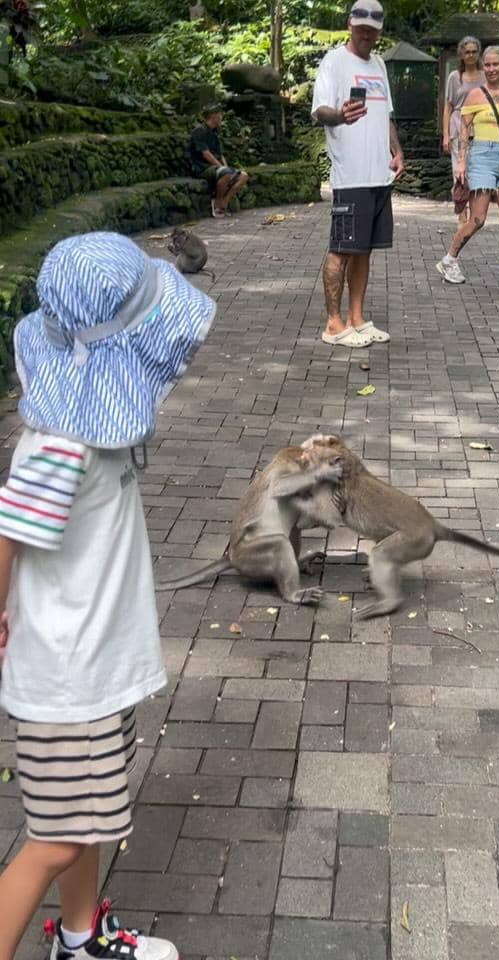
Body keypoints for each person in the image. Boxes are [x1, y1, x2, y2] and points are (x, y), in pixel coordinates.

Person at [0, 231, 216, 960]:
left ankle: (80, 937)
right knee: (55, 840)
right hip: (67, 679)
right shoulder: (61, 442)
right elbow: (6, 529)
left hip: (93, 667)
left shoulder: (91, 429)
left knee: (84, 823)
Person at [311, 0, 404, 347]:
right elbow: (319, 110)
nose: (366, 32)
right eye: (361, 25)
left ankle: (357, 318)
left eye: (373, 27)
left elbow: (386, 115)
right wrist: (340, 114)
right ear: (350, 24)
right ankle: (333, 324)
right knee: (341, 249)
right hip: (350, 176)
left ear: (379, 30)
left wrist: (396, 150)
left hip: (378, 175)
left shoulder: (378, 63)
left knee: (364, 250)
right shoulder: (334, 61)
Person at [435, 45, 499, 290]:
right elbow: (464, 130)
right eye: (486, 65)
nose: (490, 69)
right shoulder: (475, 95)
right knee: (477, 218)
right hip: (481, 156)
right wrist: (460, 162)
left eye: (495, 64)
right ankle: (449, 259)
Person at [442, 36, 485, 221]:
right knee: (458, 169)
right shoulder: (454, 77)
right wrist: (445, 134)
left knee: (475, 169)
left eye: (474, 51)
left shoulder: (484, 76)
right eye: (467, 51)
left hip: (479, 126)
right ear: (461, 54)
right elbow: (448, 106)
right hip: (458, 124)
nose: (471, 55)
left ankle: (476, 210)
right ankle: (461, 212)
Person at [189, 105, 249, 218]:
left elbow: (220, 154)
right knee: (226, 173)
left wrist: (225, 167)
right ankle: (216, 203)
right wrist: (223, 169)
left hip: (217, 168)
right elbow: (205, 153)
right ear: (213, 116)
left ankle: (224, 203)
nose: (221, 117)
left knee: (243, 176)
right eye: (219, 115)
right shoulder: (199, 131)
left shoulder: (214, 133)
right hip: (202, 168)